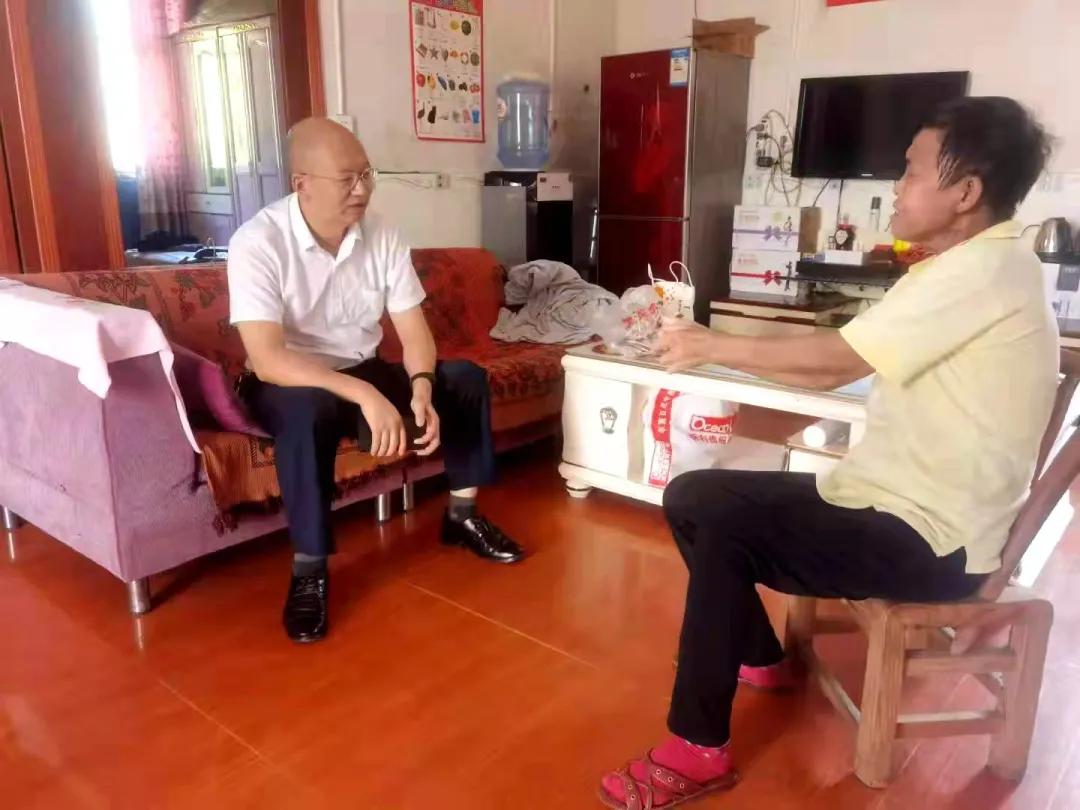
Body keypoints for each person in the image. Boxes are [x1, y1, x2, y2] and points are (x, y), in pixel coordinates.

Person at [598, 96, 1056, 808]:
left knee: (724, 524)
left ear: (965, 193)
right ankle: (760, 656)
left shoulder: (980, 273)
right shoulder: (974, 266)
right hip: (890, 498)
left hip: (932, 537)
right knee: (693, 494)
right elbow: (850, 353)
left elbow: (837, 363)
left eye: (912, 172)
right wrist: (720, 348)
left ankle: (698, 749)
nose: (896, 189)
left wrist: (712, 345)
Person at [227, 118, 524, 644]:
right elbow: (268, 359)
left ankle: (461, 516)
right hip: (287, 381)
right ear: (302, 183)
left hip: (360, 367)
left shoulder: (382, 234)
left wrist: (422, 384)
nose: (362, 189)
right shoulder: (257, 242)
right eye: (347, 179)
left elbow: (414, 332)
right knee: (309, 411)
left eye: (367, 175)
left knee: (464, 379)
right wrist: (364, 395)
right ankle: (310, 570)